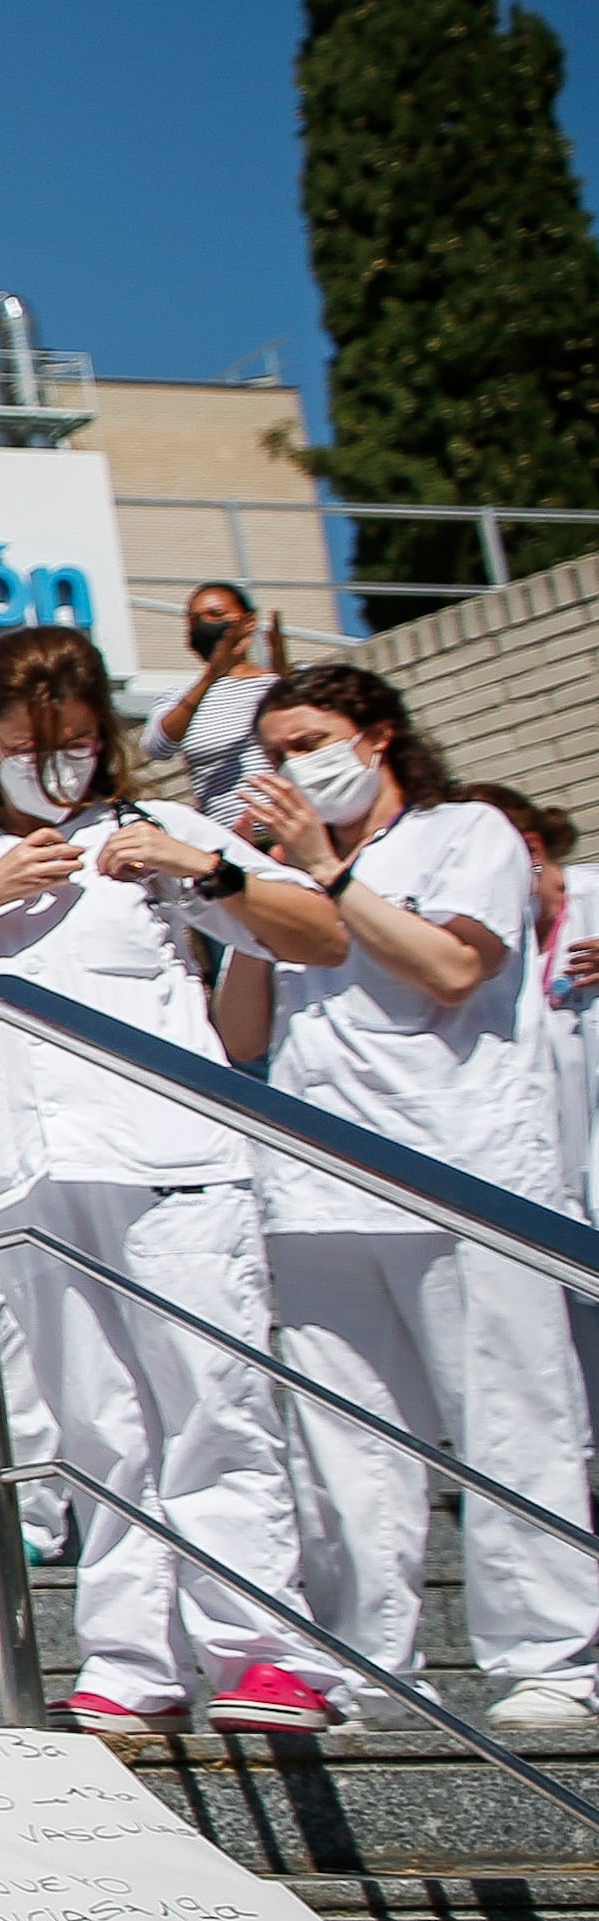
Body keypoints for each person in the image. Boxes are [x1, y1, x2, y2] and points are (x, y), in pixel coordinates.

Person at [0, 625, 349, 1736]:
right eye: (35, 745)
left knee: (212, 1409)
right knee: (94, 1427)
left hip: (174, 1166)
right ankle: (129, 1658)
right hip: (32, 1178)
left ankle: (259, 1650)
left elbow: (315, 935)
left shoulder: (161, 831)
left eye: (78, 743)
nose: (60, 764)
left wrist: (205, 871)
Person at [211, 662, 599, 1744]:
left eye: (311, 739)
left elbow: (446, 967)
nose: (292, 765)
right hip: (319, 1183)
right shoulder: (282, 865)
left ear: (376, 737)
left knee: (508, 1424)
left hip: (460, 1173)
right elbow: (239, 1036)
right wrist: (241, 900)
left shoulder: (463, 831)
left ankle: (549, 1654)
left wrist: (327, 875)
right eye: (274, 750)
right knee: (344, 1443)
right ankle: (365, 1661)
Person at [142, 582, 285, 818]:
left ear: (248, 621)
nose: (205, 625)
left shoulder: (277, 683)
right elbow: (158, 747)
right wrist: (211, 676)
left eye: (216, 615)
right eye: (195, 620)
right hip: (225, 839)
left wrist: (282, 675)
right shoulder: (178, 698)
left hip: (286, 836)